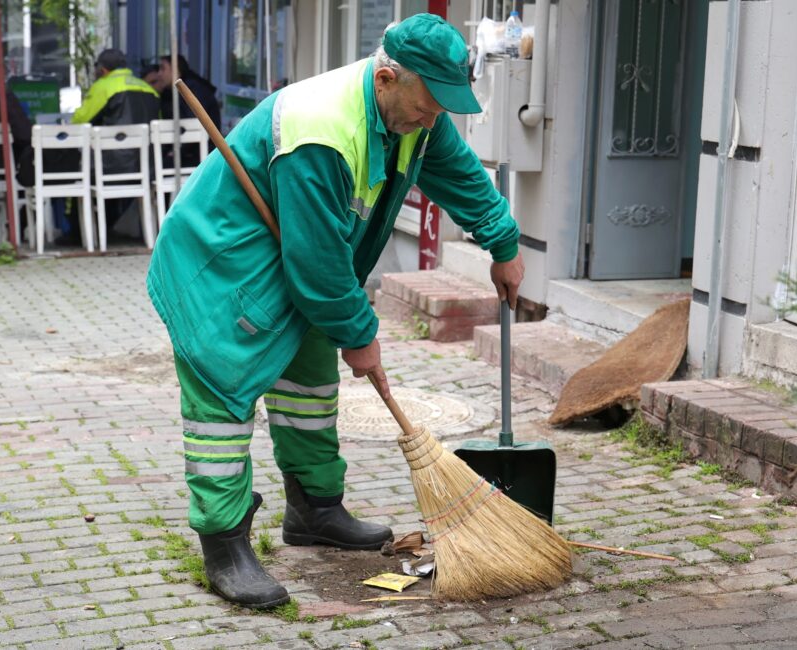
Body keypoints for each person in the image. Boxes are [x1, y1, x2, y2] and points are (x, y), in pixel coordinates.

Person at [146, 14, 524, 609]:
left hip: (297, 259)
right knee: (221, 398)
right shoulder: (320, 130)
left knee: (309, 383)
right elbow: (319, 261)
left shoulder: (415, 115)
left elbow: (458, 174)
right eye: (429, 103)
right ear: (386, 79)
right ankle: (224, 543)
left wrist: (503, 243)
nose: (433, 118)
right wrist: (360, 333)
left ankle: (314, 510)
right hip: (223, 263)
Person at [70, 49, 160, 242]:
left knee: (74, 170)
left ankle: (77, 235)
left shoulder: (104, 86)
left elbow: (80, 121)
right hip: (146, 166)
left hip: (109, 167)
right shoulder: (147, 88)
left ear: (103, 70)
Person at [153, 54, 219, 166]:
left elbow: (192, 127)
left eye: (163, 69)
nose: (159, 74)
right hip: (183, 148)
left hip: (199, 154)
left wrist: (172, 154)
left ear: (176, 70)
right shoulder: (168, 92)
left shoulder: (191, 91)